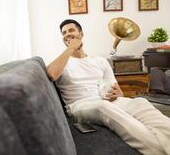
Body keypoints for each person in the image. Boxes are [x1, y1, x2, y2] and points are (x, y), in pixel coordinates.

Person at [46, 19, 170, 155]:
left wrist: (117, 94)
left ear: (81, 34)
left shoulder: (100, 61)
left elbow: (119, 91)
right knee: (104, 107)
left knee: (141, 102)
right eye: (64, 33)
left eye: (71, 30)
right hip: (80, 106)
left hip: (106, 101)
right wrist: (70, 48)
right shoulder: (62, 61)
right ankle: (159, 152)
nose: (67, 34)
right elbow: (51, 74)